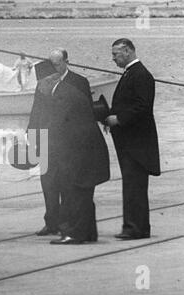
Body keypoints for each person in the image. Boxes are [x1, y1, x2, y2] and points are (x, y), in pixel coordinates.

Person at [28, 48, 110, 244]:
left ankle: (72, 232)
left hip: (75, 149)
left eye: (41, 85)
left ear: (52, 79)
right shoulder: (58, 89)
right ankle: (85, 232)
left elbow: (66, 124)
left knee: (73, 189)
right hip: (76, 146)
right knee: (71, 188)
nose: (40, 90)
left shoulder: (68, 91)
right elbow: (37, 114)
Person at [105, 38, 160, 240]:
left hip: (137, 143)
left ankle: (134, 227)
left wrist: (118, 118)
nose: (113, 58)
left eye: (115, 54)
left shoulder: (140, 75)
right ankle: (138, 226)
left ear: (127, 51)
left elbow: (143, 106)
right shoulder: (131, 73)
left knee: (134, 185)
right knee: (132, 184)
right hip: (131, 141)